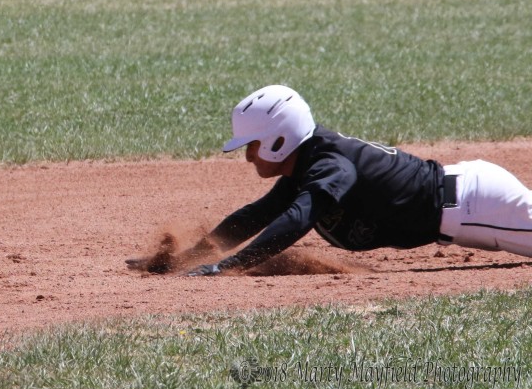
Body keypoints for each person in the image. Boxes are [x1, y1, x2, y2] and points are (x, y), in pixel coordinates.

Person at [128, 84, 532, 277]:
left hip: (479, 205)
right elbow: (260, 214)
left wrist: (229, 266)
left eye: (252, 145)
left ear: (279, 139)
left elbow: (297, 219)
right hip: (464, 199)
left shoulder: (330, 165)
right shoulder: (306, 160)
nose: (247, 155)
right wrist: (188, 258)